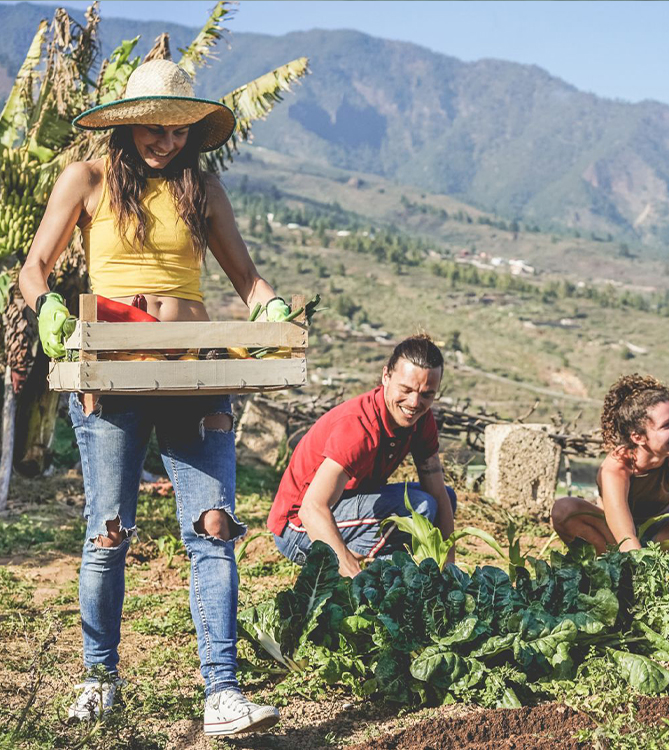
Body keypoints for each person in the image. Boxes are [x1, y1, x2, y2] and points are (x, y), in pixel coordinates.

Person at [19, 60, 283, 735]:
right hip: (112, 373)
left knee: (215, 528)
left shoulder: (205, 188)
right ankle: (100, 680)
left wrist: (271, 310)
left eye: (178, 130)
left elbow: (248, 281)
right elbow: (33, 269)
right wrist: (47, 307)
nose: (166, 141)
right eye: (154, 128)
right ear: (129, 122)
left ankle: (222, 693)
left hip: (194, 373)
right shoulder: (89, 178)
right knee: (109, 533)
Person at [269, 335, 456, 576]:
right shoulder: (358, 428)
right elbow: (311, 509)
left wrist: (449, 567)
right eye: (406, 389)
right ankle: (368, 580)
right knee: (420, 508)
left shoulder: (421, 421)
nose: (414, 402)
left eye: (426, 394)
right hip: (297, 530)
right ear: (386, 376)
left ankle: (387, 581)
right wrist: (354, 578)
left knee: (445, 500)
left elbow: (438, 491)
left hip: (345, 507)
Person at [551, 374, 669, 553]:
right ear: (638, 437)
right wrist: (639, 568)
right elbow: (626, 538)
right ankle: (611, 568)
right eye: (666, 426)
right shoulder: (615, 468)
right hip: (614, 537)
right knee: (564, 510)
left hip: (660, 533)